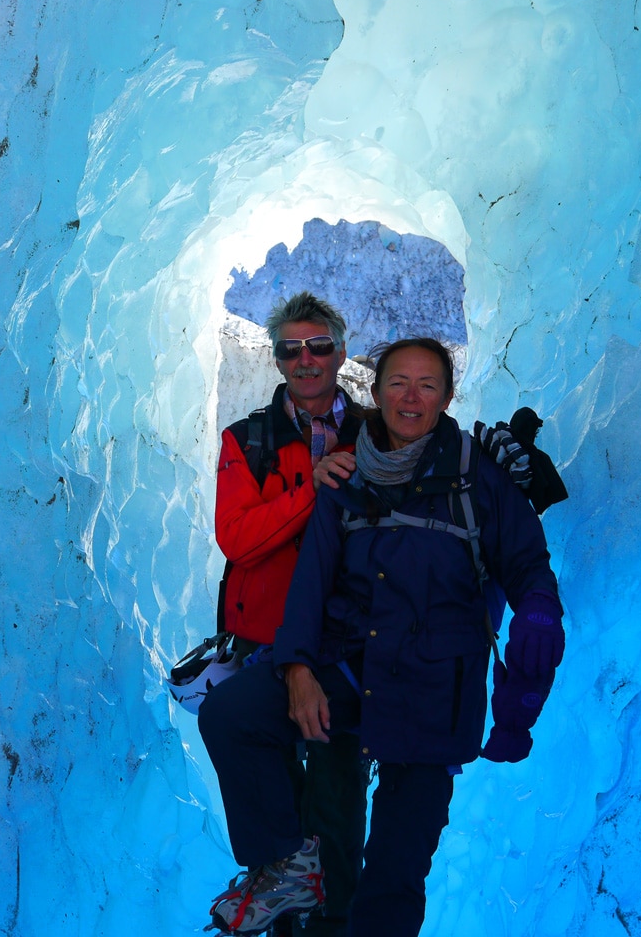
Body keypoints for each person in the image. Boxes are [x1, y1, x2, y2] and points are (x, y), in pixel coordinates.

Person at [200, 338, 564, 937]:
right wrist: (295, 670)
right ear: (376, 392)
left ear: (448, 396)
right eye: (397, 382)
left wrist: (539, 613)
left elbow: (526, 564)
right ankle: (290, 865)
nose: (411, 396)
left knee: (393, 881)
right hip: (349, 674)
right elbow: (311, 585)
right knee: (233, 714)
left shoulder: (478, 478)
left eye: (427, 384)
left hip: (434, 695)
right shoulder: (348, 475)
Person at [213, 292, 368, 937]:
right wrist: (313, 491)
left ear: (339, 349)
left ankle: (333, 920)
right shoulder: (246, 440)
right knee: (270, 792)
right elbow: (239, 538)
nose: (306, 361)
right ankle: (281, 893)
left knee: (334, 798)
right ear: (276, 358)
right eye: (291, 350)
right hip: (263, 643)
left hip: (345, 648)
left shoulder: (378, 430)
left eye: (319, 346)